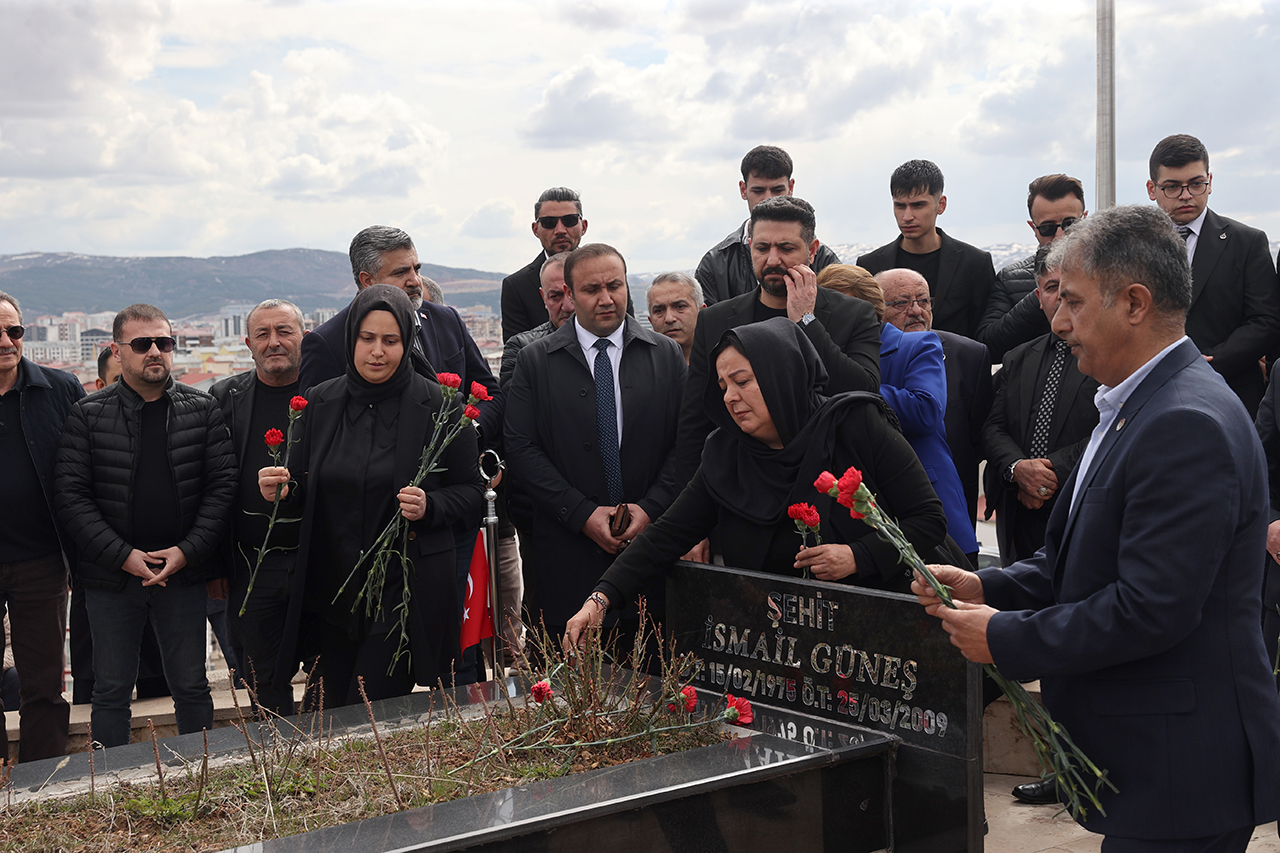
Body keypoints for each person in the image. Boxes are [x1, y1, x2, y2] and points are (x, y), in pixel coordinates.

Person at [914, 205, 1280, 848]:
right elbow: (1082, 559)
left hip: (1177, 766)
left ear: (1134, 303)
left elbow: (1151, 609)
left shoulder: (1184, 422)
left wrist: (1004, 636)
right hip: (1148, 761)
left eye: (1074, 303)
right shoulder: (1136, 402)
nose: (1058, 323)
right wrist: (989, 589)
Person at [564, 318, 952, 644]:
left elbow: (927, 520)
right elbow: (666, 535)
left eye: (743, 381)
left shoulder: (856, 425)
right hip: (782, 642)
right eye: (722, 387)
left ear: (781, 375)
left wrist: (858, 555)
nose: (731, 397)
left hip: (885, 635)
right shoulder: (725, 453)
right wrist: (599, 599)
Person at [260, 285, 484, 708]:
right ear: (351, 340)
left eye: (390, 340)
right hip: (332, 592)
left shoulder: (438, 405)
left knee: (368, 708)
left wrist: (430, 506)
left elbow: (473, 491)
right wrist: (283, 490)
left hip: (401, 593)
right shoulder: (320, 402)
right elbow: (305, 487)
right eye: (367, 339)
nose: (377, 352)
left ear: (407, 343)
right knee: (324, 712)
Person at [55, 303, 237, 748]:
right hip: (112, 579)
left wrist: (186, 551)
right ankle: (113, 790)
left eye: (164, 342)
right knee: (111, 692)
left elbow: (221, 490)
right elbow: (71, 496)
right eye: (142, 344)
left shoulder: (203, 409)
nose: (155, 351)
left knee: (192, 686)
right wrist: (124, 557)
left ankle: (201, 777)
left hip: (182, 573)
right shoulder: (88, 414)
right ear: (117, 351)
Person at [504, 243, 687, 640]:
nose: (606, 299)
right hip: (566, 560)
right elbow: (520, 449)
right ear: (569, 294)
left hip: (651, 558)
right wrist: (582, 514)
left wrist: (650, 509)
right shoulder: (536, 362)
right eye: (591, 290)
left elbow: (685, 444)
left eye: (615, 286)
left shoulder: (667, 356)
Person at [674, 196, 881, 497]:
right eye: (762, 248)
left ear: (812, 251)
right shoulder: (714, 320)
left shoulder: (854, 313)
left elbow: (864, 392)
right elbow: (695, 422)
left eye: (785, 248)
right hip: (742, 490)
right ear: (749, 248)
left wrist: (806, 321)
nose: (772, 260)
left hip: (828, 486)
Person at [300, 225, 501, 446]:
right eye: (400, 272)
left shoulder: (446, 320)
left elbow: (489, 393)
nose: (415, 281)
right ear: (367, 281)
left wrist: (470, 434)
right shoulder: (327, 342)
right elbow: (317, 429)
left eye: (416, 269)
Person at [209, 299, 305, 716]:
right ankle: (276, 765)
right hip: (251, 566)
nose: (274, 342)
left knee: (330, 667)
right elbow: (210, 487)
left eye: (284, 331)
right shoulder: (224, 398)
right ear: (248, 344)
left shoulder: (330, 393)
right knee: (262, 679)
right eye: (263, 334)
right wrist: (215, 564)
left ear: (304, 336)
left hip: (319, 558)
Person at [0, 291, 83, 762]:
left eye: (14, 331)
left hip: (42, 560)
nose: (7, 341)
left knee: (45, 684)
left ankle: (41, 782)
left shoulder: (60, 388)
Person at [981, 247, 1098, 573]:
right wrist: (1018, 469)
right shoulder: (1018, 357)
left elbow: (1116, 426)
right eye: (1050, 288)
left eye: (1067, 287)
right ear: (1038, 296)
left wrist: (1047, 476)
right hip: (1020, 517)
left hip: (1082, 510)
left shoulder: (1108, 356)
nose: (1059, 296)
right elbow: (994, 427)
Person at [1146, 133, 1280, 417]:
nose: (1186, 195)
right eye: (1172, 187)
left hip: (1231, 393)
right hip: (1149, 394)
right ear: (1151, 188)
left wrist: (1208, 362)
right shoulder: (1132, 246)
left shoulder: (1247, 242)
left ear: (1210, 183)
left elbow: (1266, 320)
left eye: (1196, 184)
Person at [68, 348, 172, 707]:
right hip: (101, 581)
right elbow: (73, 500)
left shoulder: (170, 420)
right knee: (98, 689)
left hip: (159, 576)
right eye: (117, 382)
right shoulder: (83, 428)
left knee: (164, 689)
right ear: (99, 386)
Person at [875, 267, 993, 528]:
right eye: (901, 302)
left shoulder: (969, 354)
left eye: (923, 301)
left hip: (952, 500)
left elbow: (981, 433)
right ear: (876, 309)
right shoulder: (865, 357)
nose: (916, 311)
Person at [857, 159, 995, 339]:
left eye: (918, 205)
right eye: (900, 205)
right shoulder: (869, 264)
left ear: (941, 205)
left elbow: (983, 337)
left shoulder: (975, 263)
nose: (907, 216)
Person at [696, 145, 841, 305]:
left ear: (790, 187)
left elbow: (844, 317)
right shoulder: (715, 265)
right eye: (758, 191)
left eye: (777, 190)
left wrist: (806, 319)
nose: (768, 198)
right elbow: (706, 326)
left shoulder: (825, 261)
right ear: (743, 190)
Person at [977, 174, 1088, 362]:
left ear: (1084, 219)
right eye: (1047, 228)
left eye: (1070, 225)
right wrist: (1045, 295)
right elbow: (987, 347)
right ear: (1033, 228)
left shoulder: (1110, 271)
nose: (1060, 236)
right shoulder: (1011, 278)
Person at [501, 187, 591, 341]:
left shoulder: (608, 275)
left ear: (583, 226)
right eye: (549, 223)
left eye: (569, 220)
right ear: (536, 229)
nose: (560, 230)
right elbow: (517, 352)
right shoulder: (517, 287)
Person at [499, 252, 573, 389]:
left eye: (572, 294)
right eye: (555, 296)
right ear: (543, 297)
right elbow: (515, 405)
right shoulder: (521, 349)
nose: (567, 306)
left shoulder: (617, 342)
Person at [646, 272, 704, 365]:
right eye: (659, 311)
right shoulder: (643, 369)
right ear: (651, 321)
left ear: (701, 312)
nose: (669, 319)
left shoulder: (722, 362)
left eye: (680, 307)